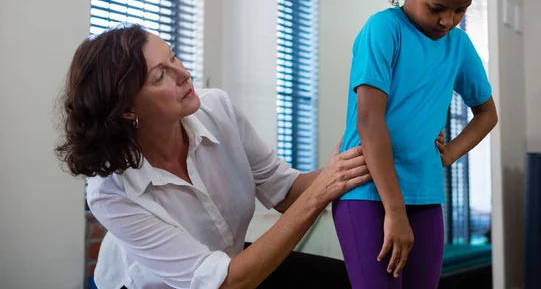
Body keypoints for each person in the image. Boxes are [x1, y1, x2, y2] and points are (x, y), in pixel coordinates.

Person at [55, 25, 371, 289]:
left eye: (174, 56)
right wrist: (321, 192)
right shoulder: (111, 192)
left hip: (228, 266)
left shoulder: (217, 110)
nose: (184, 73)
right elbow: (226, 283)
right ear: (128, 110)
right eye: (161, 76)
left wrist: (347, 162)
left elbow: (286, 191)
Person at [332, 0, 500, 288]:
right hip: (368, 194)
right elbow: (370, 121)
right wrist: (394, 210)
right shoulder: (383, 30)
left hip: (425, 194)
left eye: (461, 9)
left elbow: (487, 114)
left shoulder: (458, 45)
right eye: (438, 7)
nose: (448, 21)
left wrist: (449, 155)